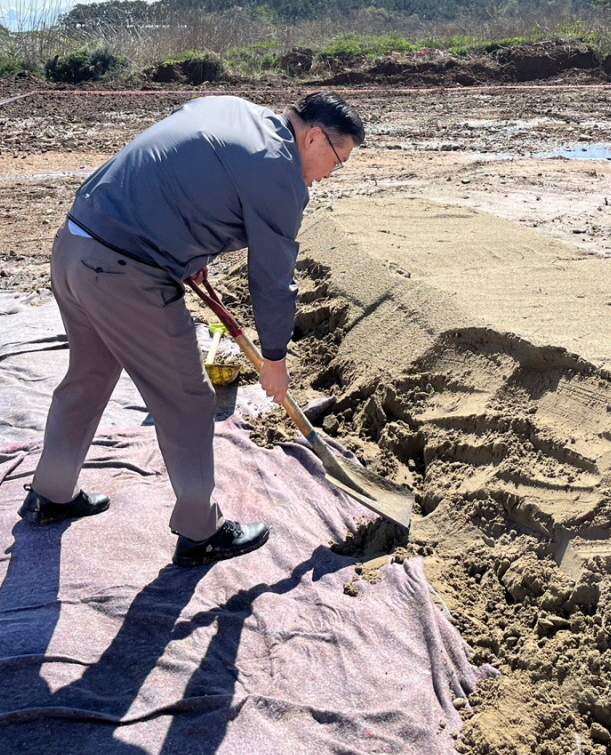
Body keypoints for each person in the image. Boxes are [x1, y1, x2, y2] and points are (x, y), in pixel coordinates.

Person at [20, 91, 364, 568]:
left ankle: (50, 493)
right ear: (313, 136)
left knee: (89, 377)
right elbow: (271, 278)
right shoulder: (280, 171)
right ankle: (201, 532)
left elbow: (181, 178)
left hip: (76, 246)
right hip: (126, 272)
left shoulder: (231, 109)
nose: (329, 175)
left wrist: (187, 256)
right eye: (337, 160)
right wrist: (276, 358)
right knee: (188, 399)